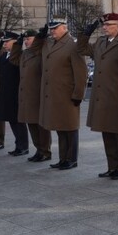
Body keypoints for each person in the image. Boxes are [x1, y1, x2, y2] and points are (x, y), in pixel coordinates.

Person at [77, 12, 118, 180]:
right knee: (107, 133)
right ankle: (112, 166)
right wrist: (85, 35)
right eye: (104, 25)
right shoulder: (101, 42)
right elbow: (81, 49)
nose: (105, 28)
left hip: (117, 95)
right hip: (102, 95)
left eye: (109, 25)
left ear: (117, 26)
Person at [39, 19, 88, 170]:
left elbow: (81, 72)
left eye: (55, 28)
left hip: (67, 95)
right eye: (51, 29)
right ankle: (62, 158)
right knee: (60, 128)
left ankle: (71, 159)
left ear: (64, 28)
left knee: (70, 128)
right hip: (54, 94)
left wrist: (78, 94)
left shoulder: (72, 45)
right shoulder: (50, 43)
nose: (52, 31)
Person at [10, 28, 52, 162]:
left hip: (38, 94)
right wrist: (18, 43)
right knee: (32, 124)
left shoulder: (41, 52)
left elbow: (44, 46)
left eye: (29, 39)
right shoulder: (25, 53)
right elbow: (13, 59)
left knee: (41, 126)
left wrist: (41, 38)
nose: (26, 41)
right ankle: (38, 150)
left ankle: (45, 151)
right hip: (26, 95)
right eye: (26, 39)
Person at [0, 31, 29, 156]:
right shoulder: (4, 55)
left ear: (15, 42)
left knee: (19, 121)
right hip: (6, 93)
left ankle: (23, 146)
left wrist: (18, 46)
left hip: (16, 93)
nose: (5, 44)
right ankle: (18, 145)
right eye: (4, 42)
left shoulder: (19, 56)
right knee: (12, 120)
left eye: (7, 41)